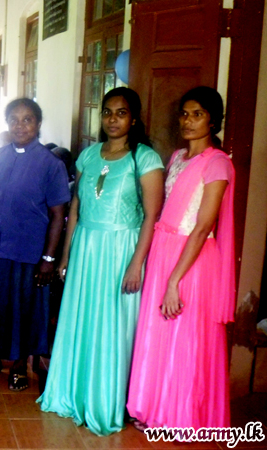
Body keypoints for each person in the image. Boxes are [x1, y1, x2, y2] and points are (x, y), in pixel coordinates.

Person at [38, 87, 164, 435]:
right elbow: (76, 208)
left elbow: (152, 216)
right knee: (82, 319)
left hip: (121, 248)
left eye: (120, 113)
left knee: (112, 324)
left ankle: (104, 400)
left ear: (134, 118)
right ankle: (71, 393)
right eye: (107, 112)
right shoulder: (88, 156)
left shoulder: (145, 158)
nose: (112, 119)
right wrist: (66, 255)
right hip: (86, 247)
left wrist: (136, 264)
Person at [127, 86, 235, 430]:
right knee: (158, 333)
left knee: (183, 337)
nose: (188, 121)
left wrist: (175, 280)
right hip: (163, 250)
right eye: (185, 114)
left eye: (198, 114)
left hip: (192, 260)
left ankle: (180, 416)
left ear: (213, 120)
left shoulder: (218, 163)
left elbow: (203, 227)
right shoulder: (176, 157)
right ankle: (154, 408)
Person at [0, 98, 70, 392]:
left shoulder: (51, 165)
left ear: (38, 124)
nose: (20, 125)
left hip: (29, 252)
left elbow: (58, 215)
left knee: (23, 311)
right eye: (14, 119)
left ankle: (18, 366)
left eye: (27, 119)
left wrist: (49, 259)